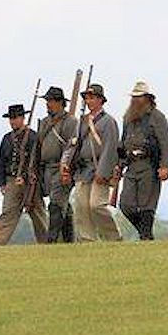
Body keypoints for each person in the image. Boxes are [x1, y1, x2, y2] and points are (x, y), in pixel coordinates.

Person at [61, 84, 122, 242]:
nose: (89, 101)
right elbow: (73, 144)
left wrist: (103, 172)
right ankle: (88, 241)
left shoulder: (109, 122)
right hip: (82, 169)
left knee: (96, 206)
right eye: (87, 98)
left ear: (101, 100)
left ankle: (113, 238)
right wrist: (66, 165)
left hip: (99, 168)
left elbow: (110, 148)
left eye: (92, 97)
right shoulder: (82, 121)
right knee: (81, 207)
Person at [117, 81, 168, 241]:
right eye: (134, 97)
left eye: (139, 97)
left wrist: (165, 166)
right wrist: (118, 165)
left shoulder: (157, 117)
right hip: (131, 164)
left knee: (147, 205)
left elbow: (165, 143)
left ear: (147, 98)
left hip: (149, 164)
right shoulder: (128, 118)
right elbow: (122, 142)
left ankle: (145, 236)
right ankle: (145, 234)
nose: (135, 100)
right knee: (126, 205)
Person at [0, 104, 43, 245]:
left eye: (15, 118)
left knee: (37, 213)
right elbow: (1, 162)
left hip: (30, 182)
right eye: (11, 118)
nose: (12, 121)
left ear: (22, 118)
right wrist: (1, 183)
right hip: (11, 181)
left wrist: (26, 177)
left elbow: (37, 161)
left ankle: (46, 242)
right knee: (8, 213)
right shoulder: (7, 138)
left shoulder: (33, 137)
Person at [36, 87, 77, 243]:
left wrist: (66, 168)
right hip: (46, 168)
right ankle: (68, 240)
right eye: (47, 101)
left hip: (61, 167)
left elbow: (72, 147)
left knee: (56, 204)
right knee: (62, 204)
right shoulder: (45, 123)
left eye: (51, 101)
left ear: (60, 103)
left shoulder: (70, 122)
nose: (48, 104)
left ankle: (51, 240)